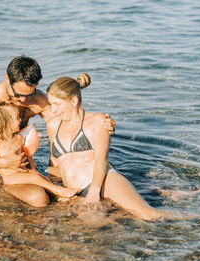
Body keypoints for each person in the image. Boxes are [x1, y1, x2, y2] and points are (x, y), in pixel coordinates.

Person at [0, 56, 115, 207]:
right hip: (2, 174)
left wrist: (100, 123)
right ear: (7, 80)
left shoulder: (37, 100)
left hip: (27, 170)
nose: (23, 100)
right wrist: (2, 162)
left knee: (71, 190)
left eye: (29, 94)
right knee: (40, 197)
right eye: (18, 94)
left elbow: (67, 125)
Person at [46, 73, 169, 220]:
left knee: (148, 215)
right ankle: (159, 191)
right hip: (76, 190)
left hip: (103, 181)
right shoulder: (53, 125)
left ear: (73, 101)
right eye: (51, 104)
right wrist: (57, 190)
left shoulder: (98, 121)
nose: (53, 110)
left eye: (57, 104)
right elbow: (54, 160)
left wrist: (94, 191)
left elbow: (101, 158)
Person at [0, 102, 79, 207]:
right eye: (17, 118)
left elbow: (27, 155)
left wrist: (33, 169)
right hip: (7, 177)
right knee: (35, 178)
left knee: (41, 177)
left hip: (23, 172)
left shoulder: (18, 139)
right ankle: (60, 191)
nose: (20, 120)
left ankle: (57, 197)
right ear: (5, 123)